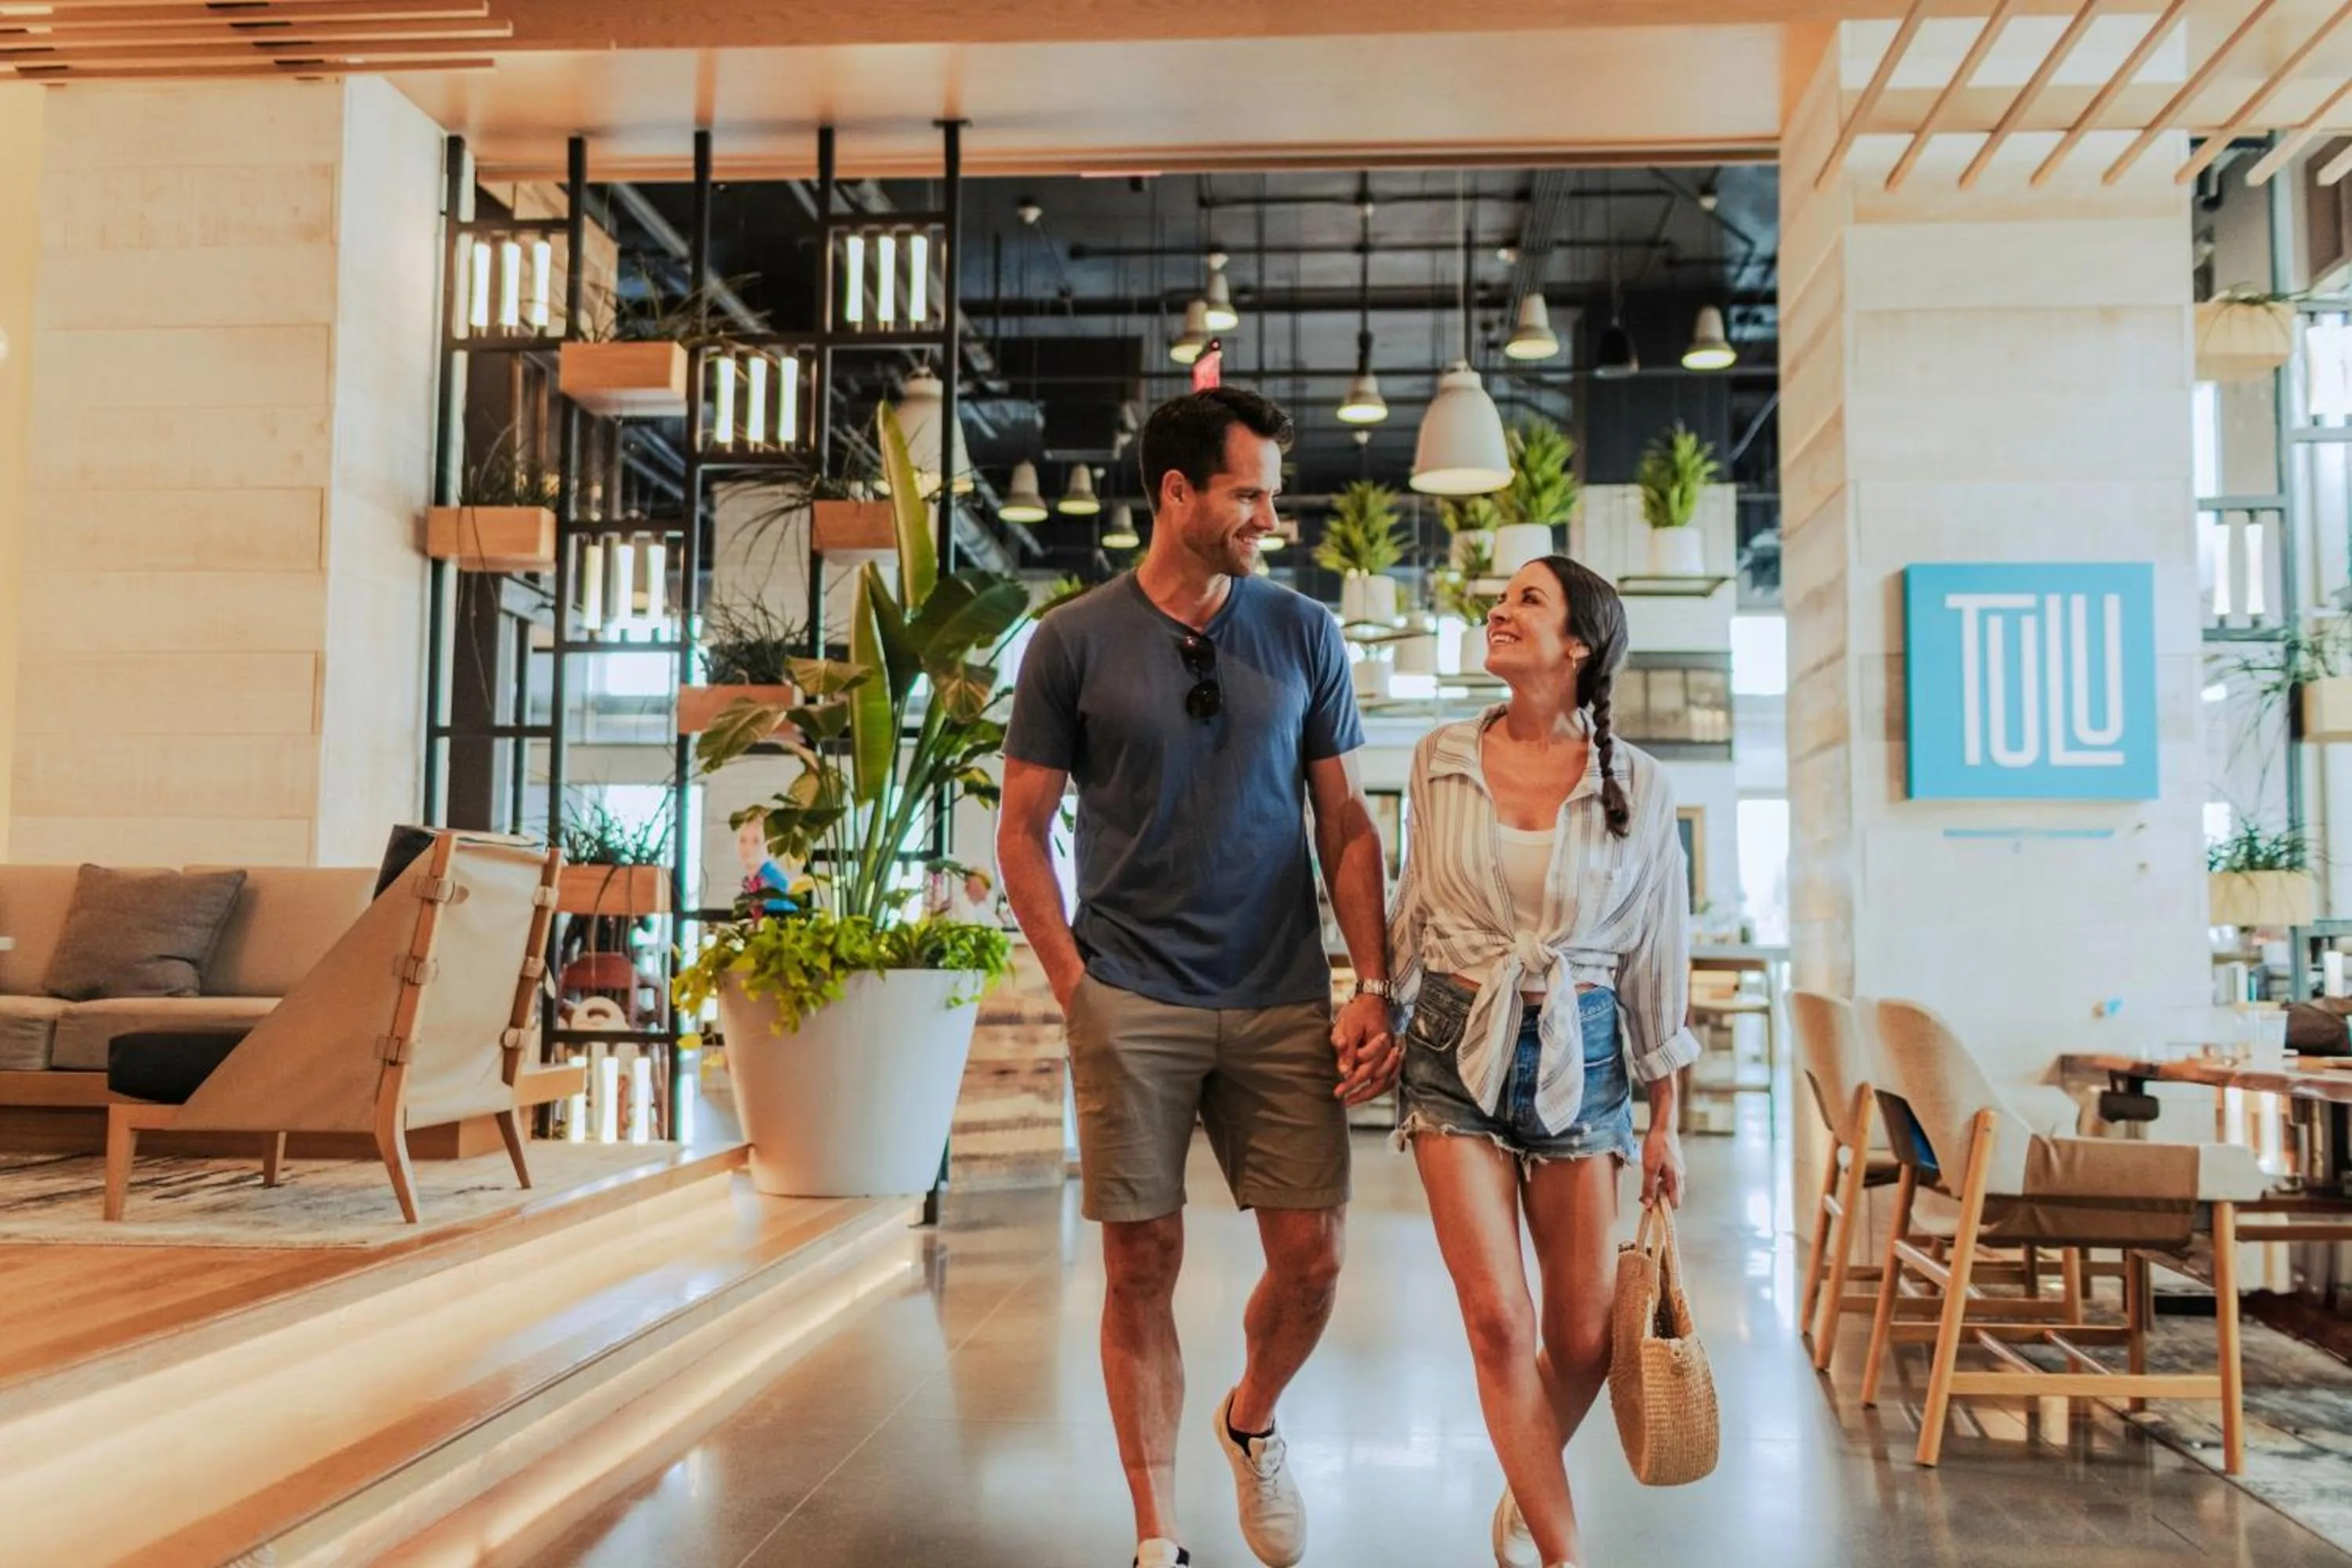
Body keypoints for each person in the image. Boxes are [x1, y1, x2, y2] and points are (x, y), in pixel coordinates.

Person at [997, 387, 1398, 1568]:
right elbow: (1021, 832)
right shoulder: (1072, 640)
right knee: (1141, 1266)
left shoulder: (1303, 632)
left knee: (1313, 1261)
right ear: (1176, 494)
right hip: (1131, 994)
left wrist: (1371, 980)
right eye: (1248, 494)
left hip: (1280, 992)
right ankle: (1158, 1535)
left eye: (1271, 494)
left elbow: (1346, 822)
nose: (1270, 517)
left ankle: (1251, 1418)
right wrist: (1077, 987)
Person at [1388, 556, 1699, 1568]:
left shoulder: (1641, 785)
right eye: (1501, 597)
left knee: (1583, 1339)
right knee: (1496, 1320)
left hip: (1587, 1046)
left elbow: (1658, 955)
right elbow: (1413, 908)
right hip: (1453, 1039)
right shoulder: (1440, 758)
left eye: (1528, 598)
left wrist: (1666, 1119)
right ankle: (1566, 1555)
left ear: (1579, 645)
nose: (1499, 609)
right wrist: (1377, 1004)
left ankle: (1531, 1481)